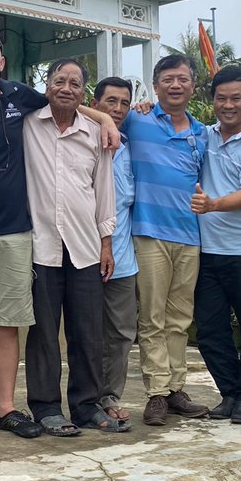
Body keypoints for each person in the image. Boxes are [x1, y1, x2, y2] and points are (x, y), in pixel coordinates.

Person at [0, 28, 118, 443]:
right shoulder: (12, 113)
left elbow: (73, 112)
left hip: (45, 238)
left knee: (41, 326)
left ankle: (59, 406)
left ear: (2, 63)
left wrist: (105, 116)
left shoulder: (20, 101)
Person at [23, 59, 119, 436]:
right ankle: (46, 406)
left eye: (75, 83)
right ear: (47, 86)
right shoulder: (28, 124)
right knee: (44, 331)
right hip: (41, 245)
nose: (66, 88)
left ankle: (85, 405)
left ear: (83, 93)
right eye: (59, 81)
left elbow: (104, 190)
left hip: (85, 245)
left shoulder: (95, 132)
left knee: (88, 331)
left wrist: (106, 242)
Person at [122, 54, 211, 427]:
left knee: (179, 318)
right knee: (153, 316)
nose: (176, 86)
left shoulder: (202, 132)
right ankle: (156, 392)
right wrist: (133, 105)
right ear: (155, 85)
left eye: (183, 79)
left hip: (190, 235)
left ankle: (176, 389)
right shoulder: (136, 118)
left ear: (193, 86)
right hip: (149, 233)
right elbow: (95, 114)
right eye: (168, 80)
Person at [189, 64, 241, 425]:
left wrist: (212, 205)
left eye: (236, 98)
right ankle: (230, 393)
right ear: (213, 102)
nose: (228, 105)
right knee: (210, 330)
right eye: (221, 98)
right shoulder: (204, 135)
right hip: (207, 251)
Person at [91, 77, 138, 424]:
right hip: (82, 254)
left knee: (121, 333)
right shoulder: (80, 140)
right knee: (86, 332)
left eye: (124, 103)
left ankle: (108, 397)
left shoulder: (129, 146)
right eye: (111, 101)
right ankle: (83, 399)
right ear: (95, 104)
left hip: (123, 259)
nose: (118, 109)